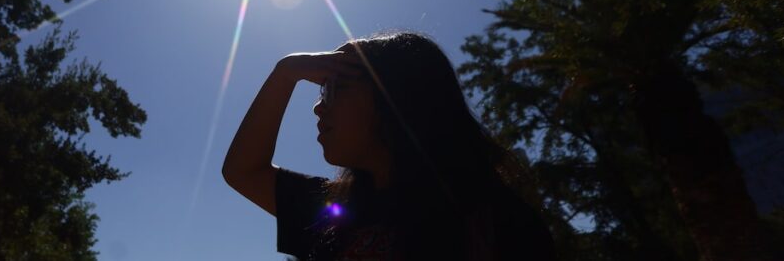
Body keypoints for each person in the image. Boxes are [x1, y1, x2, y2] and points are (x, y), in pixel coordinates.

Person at [222, 31, 555, 260]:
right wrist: (285, 72)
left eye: (336, 89)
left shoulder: (495, 220)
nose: (318, 108)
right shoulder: (331, 210)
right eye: (323, 92)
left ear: (396, 97)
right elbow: (242, 171)